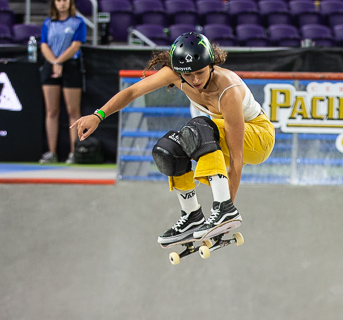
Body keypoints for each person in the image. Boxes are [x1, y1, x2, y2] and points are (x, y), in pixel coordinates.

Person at [72, 32, 276, 244]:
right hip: (222, 132)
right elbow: (132, 92)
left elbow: (236, 160)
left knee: (199, 127)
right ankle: (192, 216)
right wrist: (98, 115)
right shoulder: (174, 74)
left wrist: (225, 220)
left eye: (200, 72)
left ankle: (224, 209)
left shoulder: (228, 89)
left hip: (260, 137)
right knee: (170, 148)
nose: (195, 80)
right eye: (188, 75)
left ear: (211, 65)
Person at [38, 0, 87, 164]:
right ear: (54, 2)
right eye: (58, 0)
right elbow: (44, 45)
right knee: (51, 111)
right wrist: (54, 62)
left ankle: (74, 152)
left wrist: (60, 61)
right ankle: (52, 152)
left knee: (73, 111)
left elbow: (75, 46)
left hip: (70, 65)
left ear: (70, 1)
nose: (62, 3)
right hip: (50, 66)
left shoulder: (78, 22)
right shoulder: (48, 23)